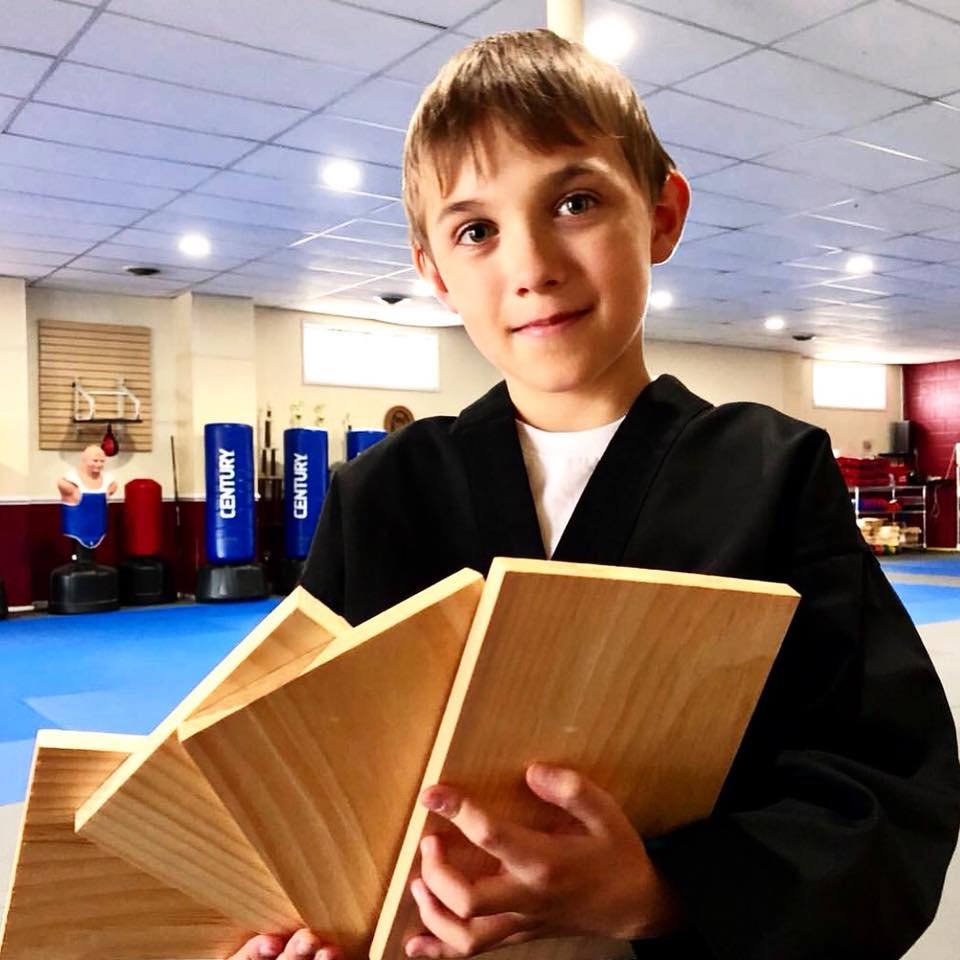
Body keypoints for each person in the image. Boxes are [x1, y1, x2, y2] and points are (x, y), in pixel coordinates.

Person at [229, 29, 960, 960]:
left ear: (661, 215)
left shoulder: (768, 474)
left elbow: (888, 792)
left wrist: (660, 892)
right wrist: (287, 928)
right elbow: (294, 779)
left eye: (574, 202)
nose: (532, 265)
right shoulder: (381, 495)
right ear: (433, 271)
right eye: (476, 231)